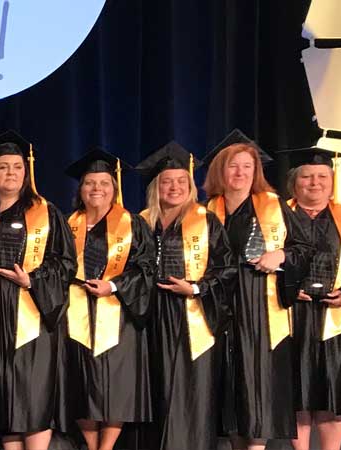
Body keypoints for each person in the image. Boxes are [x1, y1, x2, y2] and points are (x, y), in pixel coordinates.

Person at [202, 130, 313, 450]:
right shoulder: (205, 211)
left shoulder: (273, 206)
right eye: (233, 166)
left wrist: (281, 256)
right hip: (218, 303)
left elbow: (304, 247)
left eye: (247, 167)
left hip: (260, 305)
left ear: (256, 171)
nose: (240, 173)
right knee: (229, 385)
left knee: (256, 382)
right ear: (220, 171)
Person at [0, 131, 75, 450]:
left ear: (26, 173)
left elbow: (65, 264)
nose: (11, 172)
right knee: (2, 394)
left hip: (33, 316)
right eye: (3, 166)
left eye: (17, 166)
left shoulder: (47, 213)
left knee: (34, 392)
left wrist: (31, 280)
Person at [133, 142, 236, 450]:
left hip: (192, 315)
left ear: (190, 185)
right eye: (167, 181)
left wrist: (194, 288)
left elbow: (227, 269)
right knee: (153, 391)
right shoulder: (140, 221)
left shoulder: (206, 221)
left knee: (191, 392)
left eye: (181, 181)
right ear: (156, 186)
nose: (174, 187)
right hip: (147, 315)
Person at [61, 149, 155, 450]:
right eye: (90, 182)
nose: (96, 188)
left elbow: (146, 267)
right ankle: (92, 446)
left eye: (104, 182)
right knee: (80, 382)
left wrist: (114, 286)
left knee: (116, 384)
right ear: (81, 189)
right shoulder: (66, 224)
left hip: (119, 313)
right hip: (75, 312)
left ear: (114, 189)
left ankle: (106, 447)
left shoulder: (132, 224)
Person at [279, 147, 341, 450]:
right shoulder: (275, 219)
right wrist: (288, 287)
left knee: (333, 391)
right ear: (294, 182)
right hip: (291, 316)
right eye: (306, 176)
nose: (314, 183)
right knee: (296, 389)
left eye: (322, 176)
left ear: (332, 180)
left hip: (340, 318)